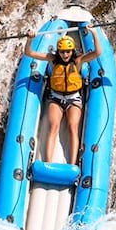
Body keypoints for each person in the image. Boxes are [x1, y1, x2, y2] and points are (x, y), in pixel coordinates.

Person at [25, 26, 102, 165]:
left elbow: (97, 52)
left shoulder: (78, 61)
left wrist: (94, 33)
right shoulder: (52, 59)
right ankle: (47, 163)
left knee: (73, 127)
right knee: (53, 126)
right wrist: (30, 39)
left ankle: (72, 164)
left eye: (67, 51)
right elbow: (29, 53)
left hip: (73, 98)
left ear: (72, 51)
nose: (65, 54)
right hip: (56, 97)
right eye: (62, 51)